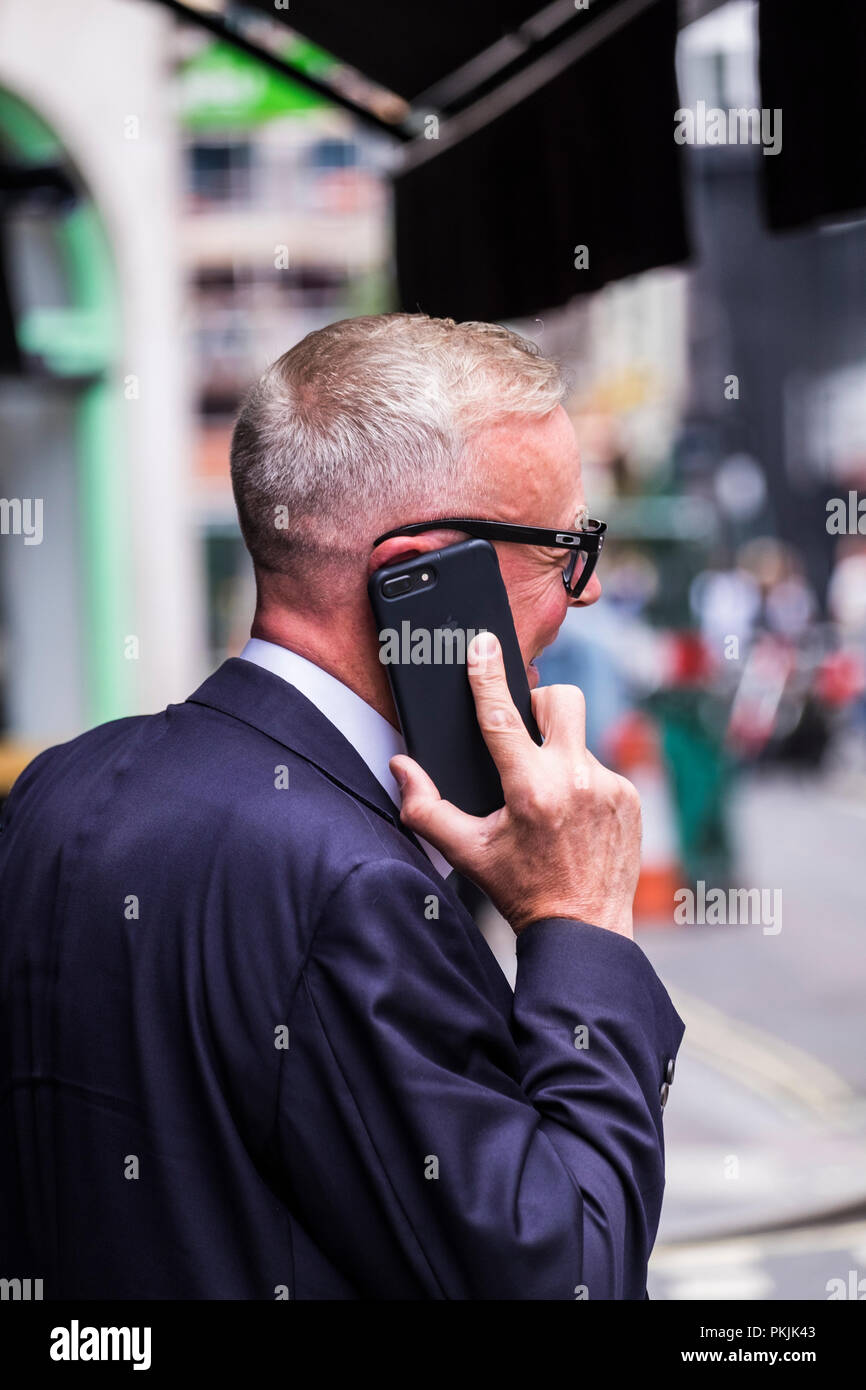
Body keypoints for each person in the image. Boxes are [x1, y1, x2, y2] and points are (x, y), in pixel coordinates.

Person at [0, 313, 684, 1300]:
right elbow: (566, 1273)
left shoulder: (54, 787)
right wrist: (579, 927)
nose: (578, 597)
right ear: (417, 574)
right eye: (559, 549)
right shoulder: (351, 884)